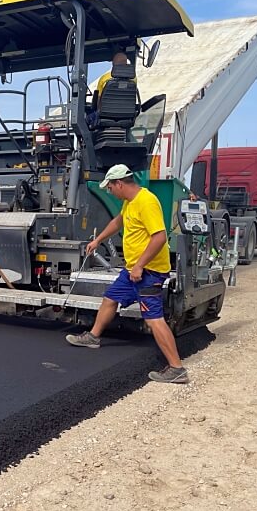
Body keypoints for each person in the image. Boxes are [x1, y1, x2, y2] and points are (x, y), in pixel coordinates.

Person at [65, 164, 189, 384]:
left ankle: (176, 368)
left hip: (149, 272)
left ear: (120, 184)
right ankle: (93, 337)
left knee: (154, 319)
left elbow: (160, 237)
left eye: (110, 187)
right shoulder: (129, 202)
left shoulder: (146, 202)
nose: (109, 191)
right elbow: (119, 221)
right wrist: (98, 240)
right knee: (110, 298)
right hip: (132, 270)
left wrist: (140, 265)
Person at [87, 51, 132, 129]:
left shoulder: (105, 78)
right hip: (127, 116)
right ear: (126, 63)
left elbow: (98, 100)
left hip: (105, 115)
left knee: (86, 120)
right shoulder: (133, 79)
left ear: (113, 64)